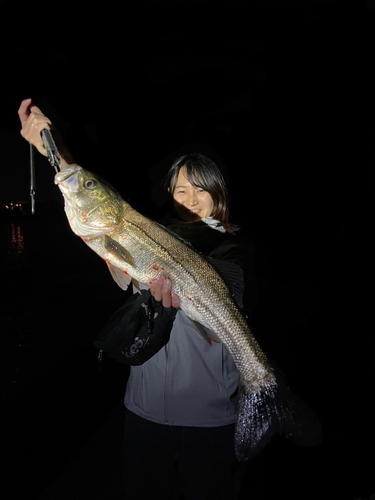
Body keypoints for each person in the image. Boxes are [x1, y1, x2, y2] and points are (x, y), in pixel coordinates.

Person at [18, 99, 258, 500]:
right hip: (143, 412)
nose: (190, 198)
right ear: (168, 192)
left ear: (220, 193)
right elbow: (85, 188)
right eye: (180, 188)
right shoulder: (146, 229)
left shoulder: (238, 250)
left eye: (201, 189)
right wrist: (50, 145)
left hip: (210, 417)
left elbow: (96, 195)